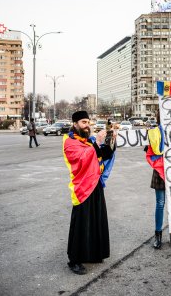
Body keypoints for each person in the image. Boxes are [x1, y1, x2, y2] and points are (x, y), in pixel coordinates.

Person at [63, 111, 116, 275]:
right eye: (83, 122)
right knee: (81, 225)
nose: (87, 125)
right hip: (82, 188)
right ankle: (74, 260)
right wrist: (96, 143)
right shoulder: (69, 142)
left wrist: (110, 139)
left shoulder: (87, 141)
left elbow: (102, 155)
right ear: (75, 124)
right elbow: (81, 159)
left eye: (88, 122)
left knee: (95, 221)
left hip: (95, 185)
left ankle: (93, 253)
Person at [144, 113, 171, 249]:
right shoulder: (154, 131)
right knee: (160, 204)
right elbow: (148, 150)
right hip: (160, 172)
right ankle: (158, 236)